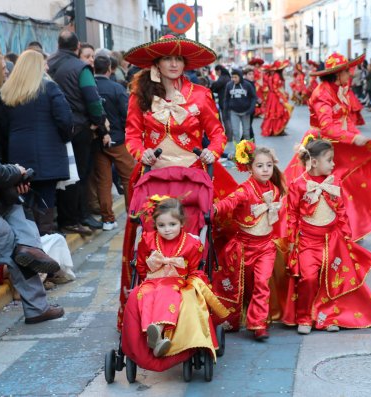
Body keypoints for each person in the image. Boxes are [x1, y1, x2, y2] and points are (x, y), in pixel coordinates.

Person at [117, 34, 237, 330]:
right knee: (147, 236)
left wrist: (213, 150)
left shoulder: (200, 94)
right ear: (156, 62)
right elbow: (132, 135)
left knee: (201, 235)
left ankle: (199, 301)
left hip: (193, 177)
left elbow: (219, 133)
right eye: (167, 58)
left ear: (185, 63)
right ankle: (146, 305)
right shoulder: (140, 96)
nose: (173, 63)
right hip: (153, 177)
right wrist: (139, 152)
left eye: (178, 59)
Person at [283, 52, 371, 240]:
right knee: (321, 187)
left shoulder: (340, 89)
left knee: (347, 183)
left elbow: (345, 119)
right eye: (347, 71)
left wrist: (357, 135)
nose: (351, 74)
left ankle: (346, 226)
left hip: (339, 143)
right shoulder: (322, 93)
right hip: (321, 145)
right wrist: (353, 139)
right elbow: (327, 127)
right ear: (338, 74)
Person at [0, 88, 65, 324]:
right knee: (16, 256)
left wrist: (12, 181)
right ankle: (37, 307)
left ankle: (30, 248)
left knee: (17, 204)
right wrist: (16, 172)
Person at [283, 138, 371, 334]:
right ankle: (304, 317)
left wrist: (346, 236)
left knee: (332, 279)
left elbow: (341, 211)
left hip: (332, 241)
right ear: (314, 162)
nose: (333, 164)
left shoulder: (335, 182)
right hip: (307, 242)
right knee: (309, 278)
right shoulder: (298, 185)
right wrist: (292, 240)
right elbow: (292, 214)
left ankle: (328, 316)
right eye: (329, 160)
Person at [127, 197, 229, 358]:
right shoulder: (147, 240)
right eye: (161, 225)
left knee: (167, 292)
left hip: (176, 281)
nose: (167, 229)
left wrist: (194, 283)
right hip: (151, 279)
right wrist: (145, 276)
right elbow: (140, 264)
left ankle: (157, 331)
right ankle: (156, 339)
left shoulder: (191, 244)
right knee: (144, 293)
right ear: (155, 225)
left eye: (172, 224)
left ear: (181, 223)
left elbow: (195, 268)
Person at [212, 142, 284, 340]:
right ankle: (232, 318)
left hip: (266, 247)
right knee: (238, 285)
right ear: (250, 168)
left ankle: (258, 324)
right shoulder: (244, 190)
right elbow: (230, 201)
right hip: (243, 247)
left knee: (262, 282)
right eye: (260, 166)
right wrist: (216, 209)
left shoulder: (275, 190)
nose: (265, 170)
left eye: (269, 165)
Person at [1, 50, 74, 236]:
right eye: (44, 63)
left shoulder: (8, 91)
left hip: (18, 152)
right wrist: (64, 138)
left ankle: (30, 243)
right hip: (48, 153)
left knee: (24, 197)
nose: (47, 67)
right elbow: (65, 119)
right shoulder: (49, 88)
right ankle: (46, 241)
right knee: (47, 199)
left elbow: (3, 126)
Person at [47, 30, 106, 235]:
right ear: (77, 47)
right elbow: (93, 99)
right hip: (79, 127)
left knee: (61, 175)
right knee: (78, 174)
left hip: (53, 128)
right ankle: (75, 218)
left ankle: (66, 218)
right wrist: (98, 122)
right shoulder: (81, 68)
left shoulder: (48, 64)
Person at [92, 55, 134, 231]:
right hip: (118, 139)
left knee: (103, 180)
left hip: (97, 139)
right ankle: (133, 215)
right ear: (110, 68)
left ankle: (108, 219)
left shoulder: (90, 87)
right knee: (129, 177)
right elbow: (127, 114)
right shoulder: (116, 88)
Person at [261, 60, 293, 136]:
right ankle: (277, 129)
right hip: (276, 97)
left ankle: (278, 129)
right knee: (280, 113)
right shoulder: (276, 76)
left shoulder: (274, 75)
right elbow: (276, 89)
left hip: (273, 96)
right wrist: (281, 98)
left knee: (277, 114)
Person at [223, 68, 257, 142]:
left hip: (246, 112)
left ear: (240, 77)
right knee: (236, 132)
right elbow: (226, 99)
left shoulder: (247, 85)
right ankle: (237, 151)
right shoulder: (229, 85)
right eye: (232, 77)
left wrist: (251, 109)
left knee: (246, 133)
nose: (234, 79)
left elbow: (254, 97)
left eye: (236, 77)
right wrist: (225, 112)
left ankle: (248, 151)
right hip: (234, 112)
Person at [211, 64, 232, 140]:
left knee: (226, 119)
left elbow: (215, 86)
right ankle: (230, 135)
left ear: (219, 71)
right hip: (229, 101)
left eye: (216, 72)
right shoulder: (228, 77)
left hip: (223, 101)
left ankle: (229, 137)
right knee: (229, 119)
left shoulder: (222, 78)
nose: (216, 74)